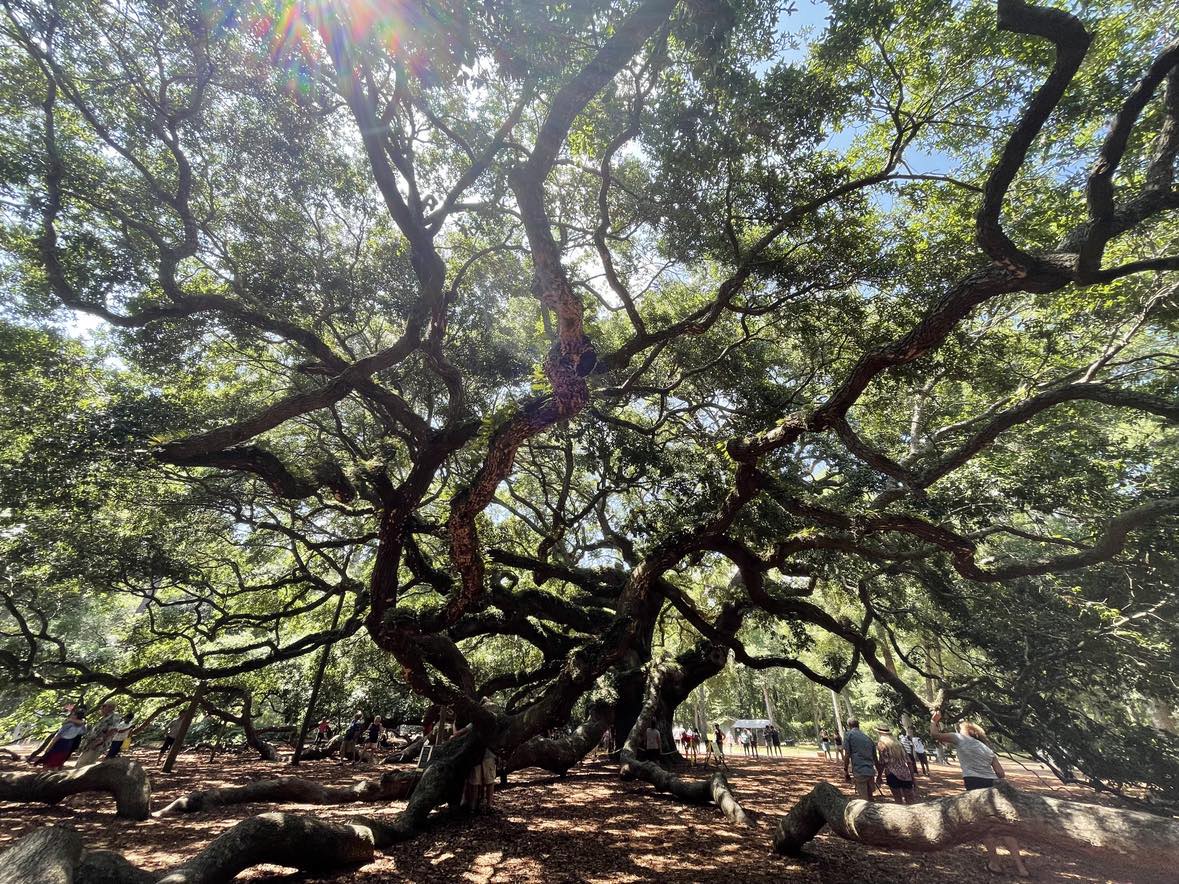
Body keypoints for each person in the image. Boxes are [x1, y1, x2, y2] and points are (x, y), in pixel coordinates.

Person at [931, 711, 1030, 877]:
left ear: (966, 730)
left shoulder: (960, 738)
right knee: (1003, 826)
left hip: (974, 784)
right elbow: (1000, 773)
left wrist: (934, 720)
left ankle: (995, 863)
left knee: (985, 827)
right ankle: (1021, 868)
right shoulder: (986, 748)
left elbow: (934, 734)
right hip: (993, 785)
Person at [842, 719, 878, 800]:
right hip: (870, 771)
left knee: (863, 800)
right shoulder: (867, 738)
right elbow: (875, 758)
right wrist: (879, 775)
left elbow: (847, 754)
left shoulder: (848, 735)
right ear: (858, 725)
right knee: (870, 797)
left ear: (849, 726)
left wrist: (845, 770)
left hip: (859, 770)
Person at [42, 705, 86, 769]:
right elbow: (83, 732)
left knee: (48, 762)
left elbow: (58, 736)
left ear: (75, 716)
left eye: (72, 714)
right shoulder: (82, 727)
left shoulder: (68, 724)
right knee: (59, 762)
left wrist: (49, 747)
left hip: (60, 744)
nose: (70, 715)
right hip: (68, 745)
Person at [76, 701, 120, 766]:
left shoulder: (114, 717)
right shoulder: (104, 717)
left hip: (97, 744)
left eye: (104, 706)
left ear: (111, 707)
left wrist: (97, 742)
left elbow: (113, 730)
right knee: (82, 762)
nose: (101, 708)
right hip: (92, 742)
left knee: (84, 763)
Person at [876, 734, 917, 804]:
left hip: (892, 774)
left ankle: (901, 814)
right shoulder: (899, 744)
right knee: (910, 799)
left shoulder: (882, 745)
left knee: (898, 799)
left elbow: (882, 763)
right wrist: (912, 778)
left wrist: (879, 776)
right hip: (905, 773)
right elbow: (909, 762)